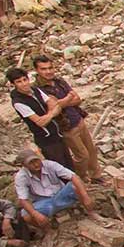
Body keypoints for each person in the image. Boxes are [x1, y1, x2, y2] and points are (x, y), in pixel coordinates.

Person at [33, 54, 103, 182]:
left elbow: (77, 99)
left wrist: (62, 102)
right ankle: (79, 177)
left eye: (50, 68)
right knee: (82, 155)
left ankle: (96, 176)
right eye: (43, 69)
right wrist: (65, 100)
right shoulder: (38, 89)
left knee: (91, 150)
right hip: (66, 126)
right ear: (37, 70)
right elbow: (55, 107)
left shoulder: (59, 81)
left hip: (77, 119)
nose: (48, 71)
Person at [7, 67, 74, 169]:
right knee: (59, 167)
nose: (24, 83)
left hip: (57, 132)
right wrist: (52, 114)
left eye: (25, 79)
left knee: (69, 163)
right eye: (19, 82)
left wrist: (49, 114)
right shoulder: (19, 102)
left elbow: (54, 104)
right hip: (46, 139)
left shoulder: (35, 90)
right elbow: (40, 122)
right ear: (13, 84)